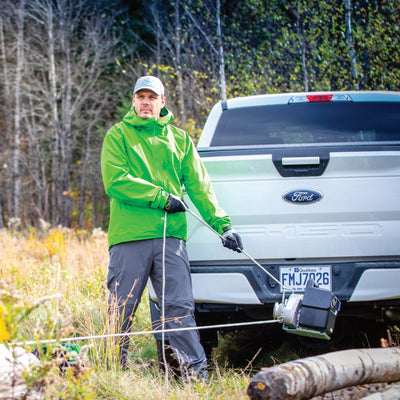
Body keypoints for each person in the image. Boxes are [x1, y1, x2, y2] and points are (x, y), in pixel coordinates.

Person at [100, 75, 243, 381]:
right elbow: (116, 181)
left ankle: (195, 378)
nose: (146, 102)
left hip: (171, 239)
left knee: (179, 309)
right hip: (129, 237)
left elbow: (199, 186)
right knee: (120, 308)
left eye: (152, 97)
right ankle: (110, 373)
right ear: (133, 101)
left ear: (163, 102)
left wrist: (223, 226)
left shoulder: (179, 139)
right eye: (141, 97)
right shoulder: (118, 135)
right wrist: (161, 197)